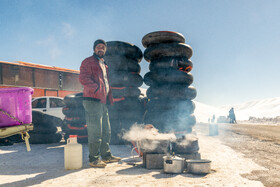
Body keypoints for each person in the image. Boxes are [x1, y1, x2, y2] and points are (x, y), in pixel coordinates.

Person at [79, 39, 121, 168]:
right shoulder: (88, 61)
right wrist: (97, 90)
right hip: (92, 100)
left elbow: (106, 83)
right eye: (98, 47)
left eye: (103, 47)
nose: (101, 49)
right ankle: (94, 158)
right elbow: (83, 78)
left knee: (106, 131)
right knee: (95, 131)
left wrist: (107, 97)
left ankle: (106, 156)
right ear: (94, 49)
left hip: (103, 101)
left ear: (105, 50)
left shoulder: (104, 64)